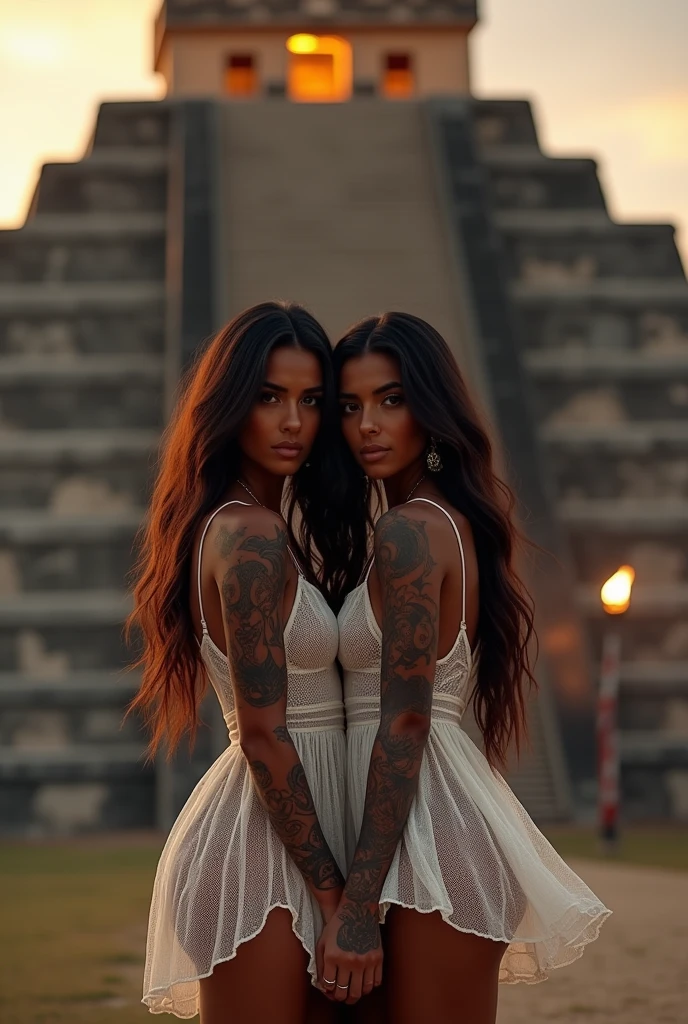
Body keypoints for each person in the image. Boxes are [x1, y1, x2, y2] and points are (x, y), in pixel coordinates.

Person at [318, 312, 610, 1023]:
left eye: (391, 399)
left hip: (427, 850)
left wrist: (357, 908)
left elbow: (408, 716)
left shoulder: (411, 530)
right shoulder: (436, 521)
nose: (368, 426)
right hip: (419, 835)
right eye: (351, 406)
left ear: (431, 407)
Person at [129, 302, 348, 1023]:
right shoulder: (248, 536)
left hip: (295, 833)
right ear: (230, 406)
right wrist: (331, 893)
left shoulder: (249, 526)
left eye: (311, 400)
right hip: (264, 857)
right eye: (268, 397)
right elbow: (262, 731)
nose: (292, 421)